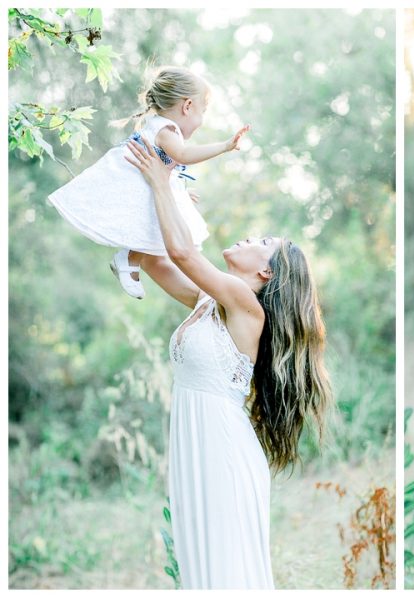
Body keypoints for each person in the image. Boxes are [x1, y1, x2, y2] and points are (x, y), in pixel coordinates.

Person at [125, 137, 333, 589]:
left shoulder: (244, 304)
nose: (249, 236)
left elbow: (182, 252)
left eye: (262, 242)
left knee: (224, 573)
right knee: (204, 571)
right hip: (196, 446)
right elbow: (159, 260)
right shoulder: (208, 302)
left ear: (266, 273)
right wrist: (167, 195)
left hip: (221, 451)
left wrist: (162, 182)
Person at [48, 65, 250, 299]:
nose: (202, 119)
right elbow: (182, 156)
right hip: (138, 181)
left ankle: (132, 260)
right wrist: (224, 146)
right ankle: (129, 259)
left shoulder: (159, 127)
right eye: (203, 111)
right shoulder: (166, 130)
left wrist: (181, 195)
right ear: (187, 106)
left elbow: (166, 171)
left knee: (161, 225)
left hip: (141, 180)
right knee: (157, 225)